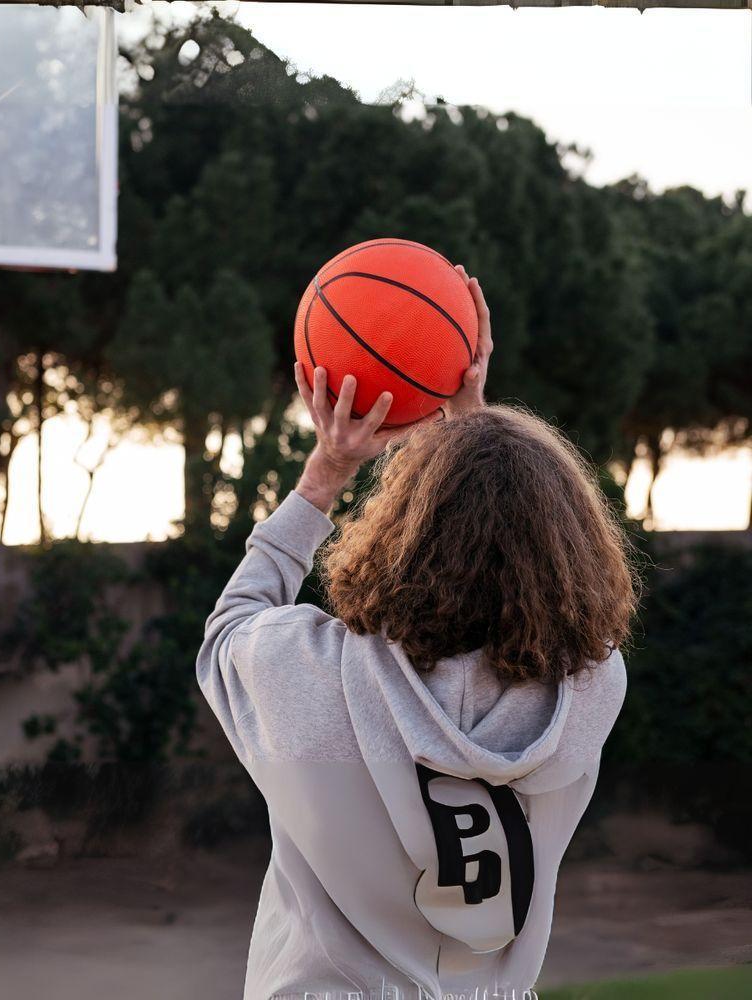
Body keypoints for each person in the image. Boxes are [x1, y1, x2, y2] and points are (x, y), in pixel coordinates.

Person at [196, 267, 639, 1000]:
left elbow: (226, 633)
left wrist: (326, 473)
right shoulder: (592, 690)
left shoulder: (308, 671)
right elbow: (510, 544)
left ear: (399, 537)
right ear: (577, 550)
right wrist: (472, 427)